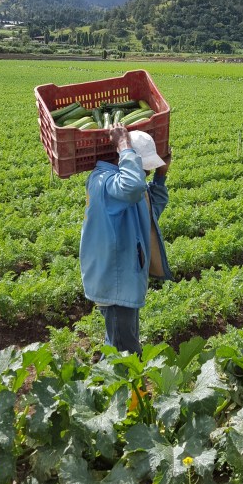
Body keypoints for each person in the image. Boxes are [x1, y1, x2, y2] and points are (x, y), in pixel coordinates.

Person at [79, 127, 172, 353]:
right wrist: (123, 145)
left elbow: (149, 210)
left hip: (126, 276)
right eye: (144, 167)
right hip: (115, 280)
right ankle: (121, 377)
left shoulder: (124, 185)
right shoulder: (104, 182)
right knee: (125, 350)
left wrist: (161, 176)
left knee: (119, 343)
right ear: (123, 157)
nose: (146, 173)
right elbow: (133, 185)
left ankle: (108, 374)